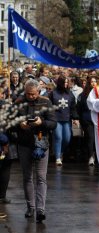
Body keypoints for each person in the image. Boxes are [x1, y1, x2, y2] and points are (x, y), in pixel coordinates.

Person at [15, 79, 56, 222]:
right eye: (28, 94)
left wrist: (42, 123)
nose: (31, 96)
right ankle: (30, 207)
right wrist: (20, 125)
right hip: (24, 143)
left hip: (41, 143)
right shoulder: (19, 102)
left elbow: (53, 123)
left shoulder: (46, 102)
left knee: (41, 177)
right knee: (27, 177)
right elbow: (10, 124)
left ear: (38, 91)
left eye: (33, 94)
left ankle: (41, 209)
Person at [49, 77, 78, 166]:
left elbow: (73, 107)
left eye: (67, 82)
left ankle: (60, 152)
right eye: (64, 82)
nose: (66, 84)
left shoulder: (70, 94)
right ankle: (58, 158)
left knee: (67, 138)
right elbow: (49, 106)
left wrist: (75, 118)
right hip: (56, 119)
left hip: (66, 119)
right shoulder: (53, 93)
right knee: (58, 137)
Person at [77, 76, 96, 166]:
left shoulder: (98, 93)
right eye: (92, 81)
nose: (94, 83)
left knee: (96, 139)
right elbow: (80, 108)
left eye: (95, 81)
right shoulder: (83, 94)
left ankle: (96, 155)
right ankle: (91, 156)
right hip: (87, 119)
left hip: (97, 119)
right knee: (90, 137)